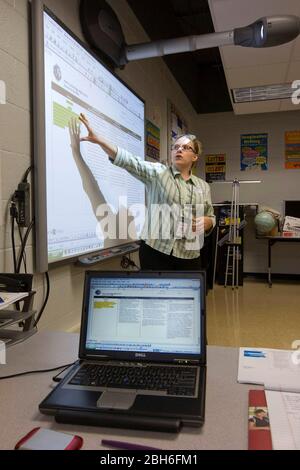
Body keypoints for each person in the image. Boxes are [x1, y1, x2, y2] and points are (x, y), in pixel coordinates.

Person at [78, 113, 215, 270]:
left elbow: (210, 215)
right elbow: (130, 162)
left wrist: (208, 222)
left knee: (188, 294)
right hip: (155, 252)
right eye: (176, 147)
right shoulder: (158, 173)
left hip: (189, 255)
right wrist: (100, 140)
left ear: (195, 157)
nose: (179, 150)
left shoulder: (204, 186)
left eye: (185, 147)